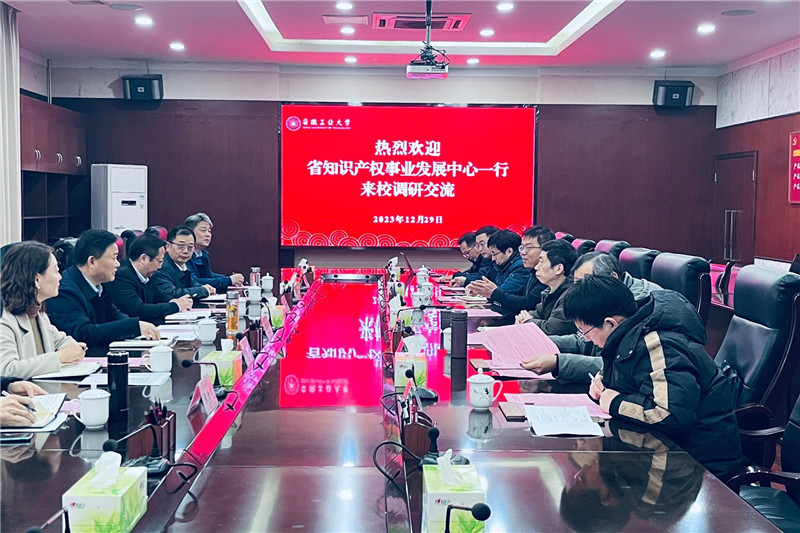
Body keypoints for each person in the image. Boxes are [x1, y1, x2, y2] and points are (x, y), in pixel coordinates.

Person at [562, 276, 747, 478]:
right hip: (663, 454)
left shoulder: (659, 346)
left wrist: (615, 402)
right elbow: (629, 380)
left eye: (585, 332)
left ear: (610, 324)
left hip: (699, 468)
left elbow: (670, 414)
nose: (587, 339)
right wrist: (601, 384)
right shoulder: (627, 337)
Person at [523, 252, 661, 382]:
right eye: (576, 283)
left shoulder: (637, 306)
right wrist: (540, 342)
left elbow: (619, 365)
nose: (579, 289)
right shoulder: (606, 297)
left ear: (612, 277)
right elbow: (585, 340)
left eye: (586, 281)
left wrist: (558, 363)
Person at [47, 229, 160, 356]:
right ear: (92, 262)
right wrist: (132, 326)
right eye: (114, 258)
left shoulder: (98, 285)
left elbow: (114, 314)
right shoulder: (65, 291)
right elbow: (84, 333)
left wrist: (138, 326)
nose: (118, 264)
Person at [0, 241, 86, 379]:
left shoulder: (38, 314)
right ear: (37, 279)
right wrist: (59, 357)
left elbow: (61, 341)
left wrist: (75, 348)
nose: (60, 277)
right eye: (56, 271)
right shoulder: (5, 320)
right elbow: (7, 370)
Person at [105, 233, 193, 325]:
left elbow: (160, 296)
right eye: (159, 261)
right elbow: (138, 310)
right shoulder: (121, 276)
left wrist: (175, 301)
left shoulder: (148, 274)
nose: (160, 267)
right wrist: (175, 306)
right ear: (144, 258)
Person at [468, 226, 554, 316]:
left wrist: (493, 293)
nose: (523, 253)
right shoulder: (532, 271)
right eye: (522, 248)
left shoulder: (545, 273)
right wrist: (484, 290)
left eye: (528, 247)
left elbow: (528, 304)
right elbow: (517, 294)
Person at [516, 239, 578, 335]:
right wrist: (524, 318)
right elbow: (538, 312)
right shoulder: (550, 290)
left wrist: (528, 322)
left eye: (541, 261)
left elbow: (552, 329)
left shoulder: (571, 296)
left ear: (558, 269)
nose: (536, 267)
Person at [184, 213, 244, 291]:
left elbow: (208, 275)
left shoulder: (203, 254)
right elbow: (194, 281)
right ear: (190, 233)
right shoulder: (184, 254)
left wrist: (231, 279)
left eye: (209, 231)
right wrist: (228, 280)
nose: (207, 234)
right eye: (203, 230)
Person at [153, 226, 216, 300]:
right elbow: (171, 294)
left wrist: (205, 287)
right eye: (180, 246)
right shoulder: (160, 267)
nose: (185, 251)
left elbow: (192, 284)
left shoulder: (183, 266)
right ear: (168, 246)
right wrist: (203, 290)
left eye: (190, 247)